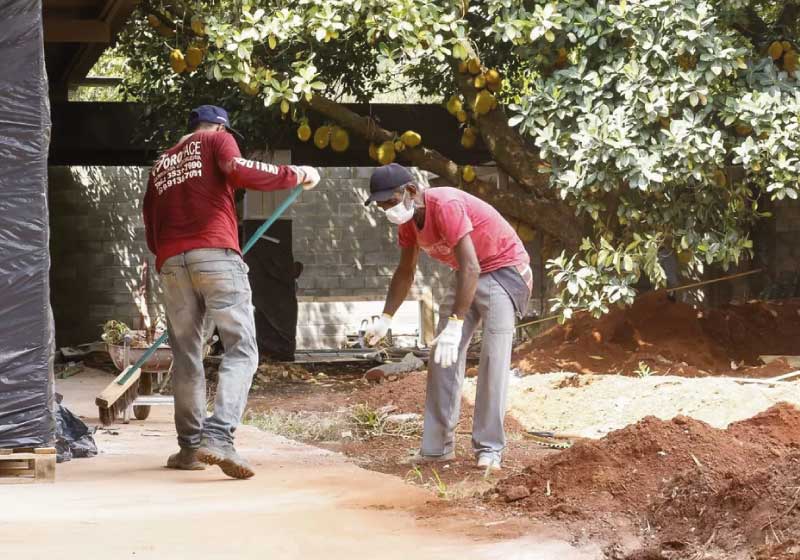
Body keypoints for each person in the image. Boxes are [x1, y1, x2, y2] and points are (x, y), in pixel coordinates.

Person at [143, 105, 320, 479]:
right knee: (241, 348)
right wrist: (296, 174)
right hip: (216, 256)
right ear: (221, 127)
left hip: (172, 262)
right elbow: (238, 170)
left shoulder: (161, 165)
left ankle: (189, 448)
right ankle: (220, 436)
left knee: (187, 356)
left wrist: (173, 255)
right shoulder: (217, 139)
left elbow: (150, 225)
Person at [362, 164, 532, 471]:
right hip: (468, 275)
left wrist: (456, 323)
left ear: (411, 191)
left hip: (504, 271)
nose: (388, 209)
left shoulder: (446, 205)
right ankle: (437, 447)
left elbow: (472, 267)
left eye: (391, 201)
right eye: (382, 205)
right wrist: (386, 317)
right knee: (442, 355)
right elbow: (406, 271)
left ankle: (490, 448)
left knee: (493, 359)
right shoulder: (409, 221)